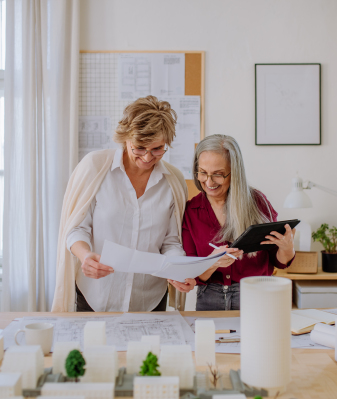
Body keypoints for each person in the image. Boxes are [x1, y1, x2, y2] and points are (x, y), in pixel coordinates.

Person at [51, 96, 196, 312]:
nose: (148, 157)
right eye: (139, 148)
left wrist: (177, 270)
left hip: (149, 299)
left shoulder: (172, 181)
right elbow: (75, 229)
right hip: (96, 295)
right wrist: (85, 255)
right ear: (125, 138)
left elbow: (171, 242)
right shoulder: (95, 168)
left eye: (157, 149)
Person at [182, 134, 296, 311]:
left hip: (256, 294)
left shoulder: (258, 202)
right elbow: (193, 275)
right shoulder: (191, 211)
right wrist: (213, 263)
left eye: (218, 175)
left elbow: (278, 261)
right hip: (210, 298)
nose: (209, 182)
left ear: (234, 172)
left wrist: (287, 248)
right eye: (203, 172)